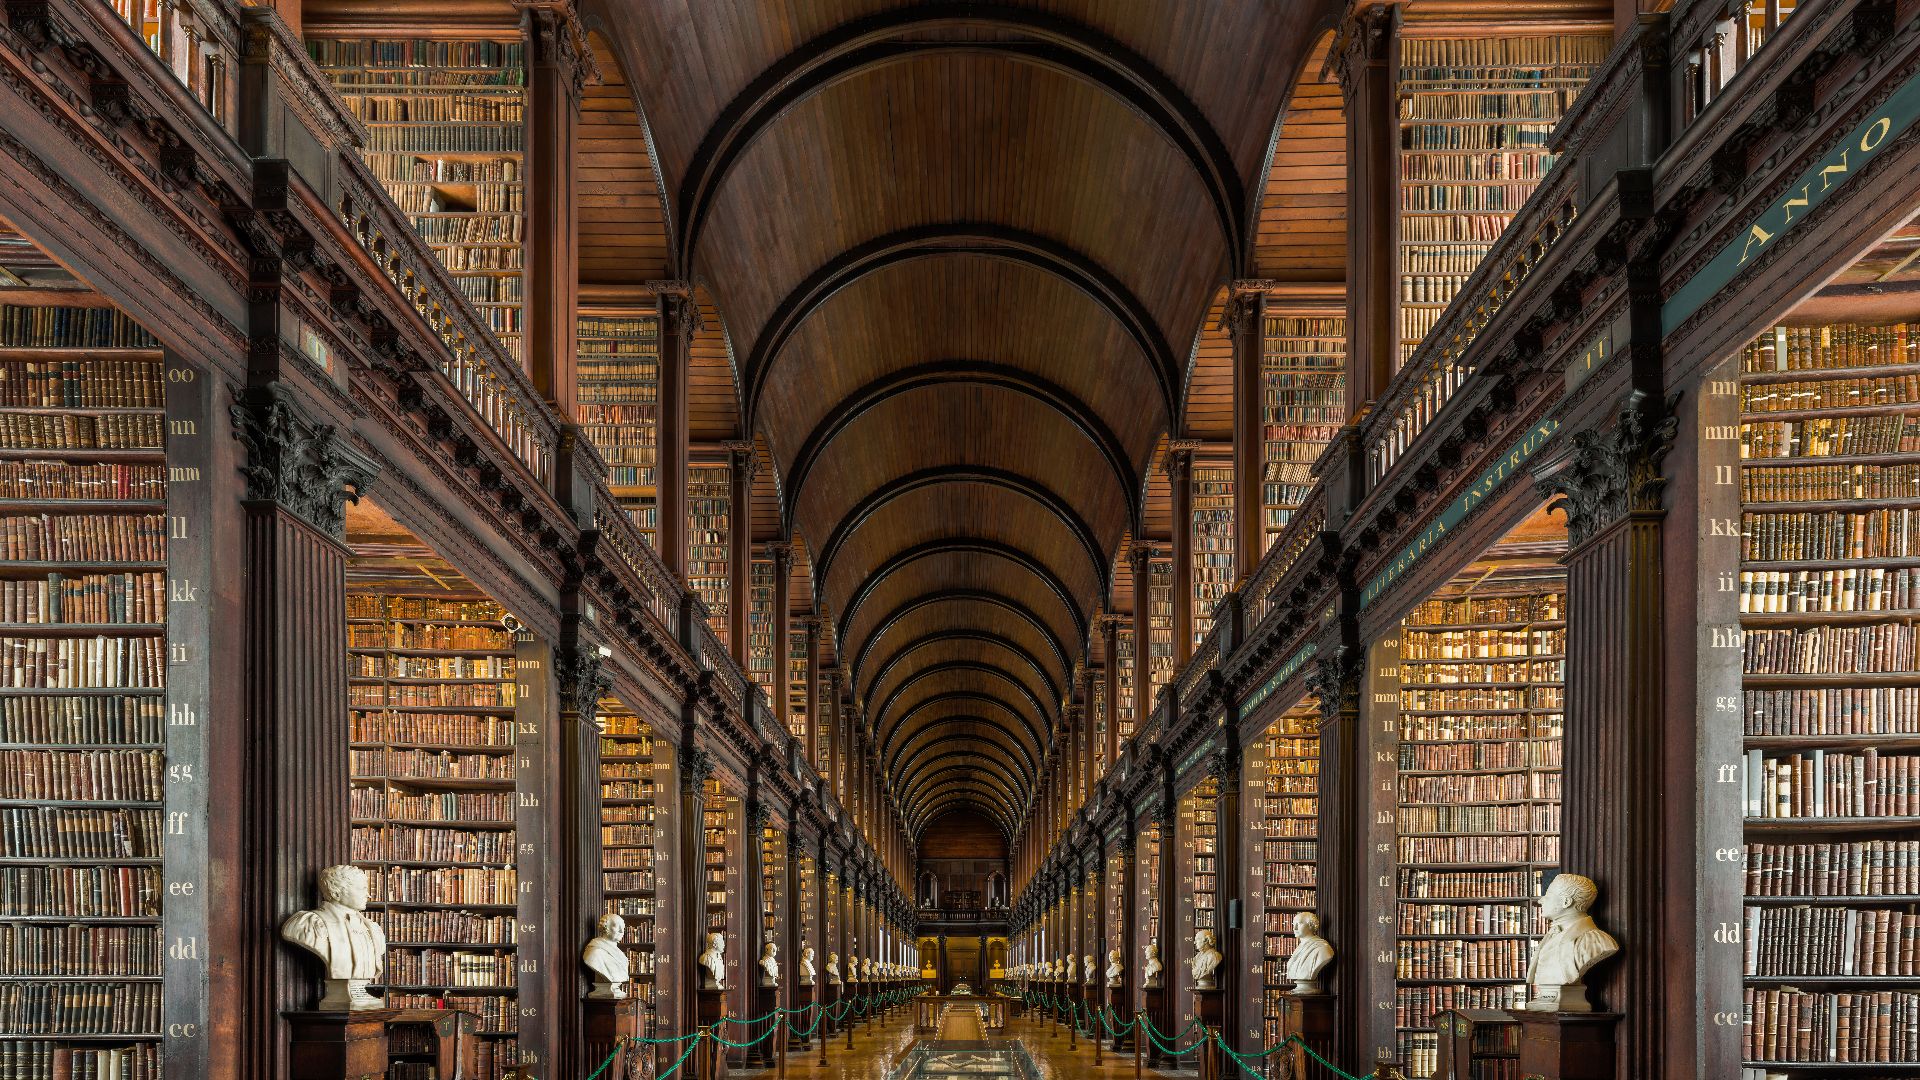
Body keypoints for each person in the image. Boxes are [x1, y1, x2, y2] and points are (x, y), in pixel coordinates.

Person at [281, 864, 387, 1010]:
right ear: (337, 893)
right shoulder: (308, 924)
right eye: (361, 889)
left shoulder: (373, 929)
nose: (368, 895)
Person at [1525, 873, 1619, 1012]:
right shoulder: (1550, 935)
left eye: (1548, 895)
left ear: (1566, 902)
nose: (1541, 900)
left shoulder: (1598, 942)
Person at [1284, 912, 1334, 993]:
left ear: (1311, 925)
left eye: (1299, 923)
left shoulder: (1322, 948)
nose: (1295, 928)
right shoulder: (1298, 949)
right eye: (1294, 924)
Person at [583, 913, 630, 999]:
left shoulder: (622, 956)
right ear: (605, 927)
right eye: (617, 926)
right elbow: (592, 959)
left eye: (623, 927)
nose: (621, 931)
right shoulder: (595, 952)